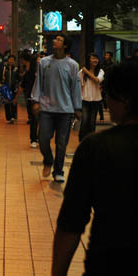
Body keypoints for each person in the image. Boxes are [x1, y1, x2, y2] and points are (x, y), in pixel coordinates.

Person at [52, 60, 138, 276]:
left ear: (124, 99)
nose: (107, 102)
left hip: (108, 264)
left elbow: (71, 223)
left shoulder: (97, 147)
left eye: (108, 94)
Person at [32, 34, 83, 183]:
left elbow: (75, 88)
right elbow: (38, 83)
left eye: (59, 40)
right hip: (47, 109)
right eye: (55, 39)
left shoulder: (72, 65)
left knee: (61, 143)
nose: (55, 41)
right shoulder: (44, 62)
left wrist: (77, 107)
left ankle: (58, 171)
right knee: (43, 139)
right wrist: (36, 100)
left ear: (65, 45)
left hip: (65, 110)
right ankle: (48, 160)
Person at [78, 53, 104, 142]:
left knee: (92, 122)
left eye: (96, 58)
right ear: (89, 60)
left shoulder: (100, 71)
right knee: (84, 121)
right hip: (85, 99)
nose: (95, 60)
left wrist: (86, 72)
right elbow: (79, 86)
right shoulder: (82, 72)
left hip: (96, 100)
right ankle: (82, 140)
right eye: (93, 58)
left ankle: (91, 140)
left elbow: (97, 80)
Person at [18, 53, 39, 147]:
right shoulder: (29, 73)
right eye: (38, 61)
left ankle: (39, 138)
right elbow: (22, 86)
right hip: (32, 98)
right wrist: (16, 97)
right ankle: (33, 139)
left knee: (43, 120)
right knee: (34, 119)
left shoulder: (46, 73)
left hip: (44, 99)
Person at [0, 55, 20, 123]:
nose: (11, 61)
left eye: (12, 60)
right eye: (10, 59)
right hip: (6, 88)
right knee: (6, 102)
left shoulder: (16, 69)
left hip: (14, 88)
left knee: (13, 102)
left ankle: (13, 117)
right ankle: (8, 118)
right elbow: (1, 77)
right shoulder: (4, 68)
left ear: (14, 61)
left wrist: (17, 86)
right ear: (8, 60)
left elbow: (18, 78)